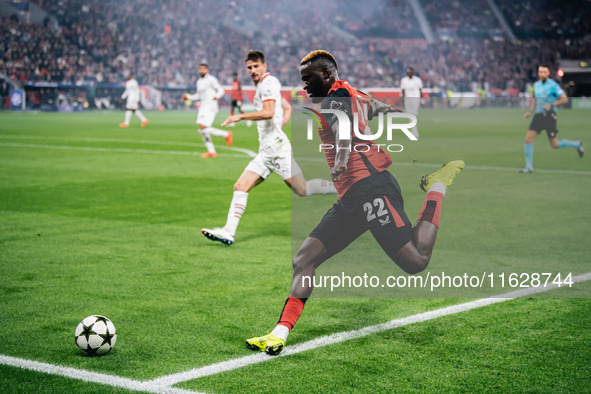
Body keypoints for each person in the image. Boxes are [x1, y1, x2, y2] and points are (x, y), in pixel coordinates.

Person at [245, 50, 464, 355]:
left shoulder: (335, 101)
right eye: (302, 80)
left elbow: (344, 131)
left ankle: (437, 184)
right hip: (351, 197)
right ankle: (278, 334)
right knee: (304, 259)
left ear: (327, 75)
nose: (304, 86)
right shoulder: (353, 93)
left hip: (371, 189)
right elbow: (373, 107)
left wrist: (342, 160)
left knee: (416, 261)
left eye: (308, 79)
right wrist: (392, 110)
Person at [200, 50, 337, 246]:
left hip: (277, 151)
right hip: (268, 150)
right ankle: (228, 232)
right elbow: (286, 108)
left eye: (256, 66)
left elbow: (269, 112)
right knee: (240, 186)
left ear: (264, 66)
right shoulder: (263, 87)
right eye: (249, 67)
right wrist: (278, 128)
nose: (253, 70)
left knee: (302, 189)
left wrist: (240, 116)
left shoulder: (269, 83)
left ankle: (342, 188)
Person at [520, 65, 584, 173]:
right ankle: (529, 167)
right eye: (540, 72)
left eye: (545, 72)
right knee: (528, 139)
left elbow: (564, 99)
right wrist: (530, 111)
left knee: (555, 144)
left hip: (550, 116)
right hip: (538, 116)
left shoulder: (553, 85)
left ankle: (577, 144)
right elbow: (536, 99)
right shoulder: (536, 85)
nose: (542, 74)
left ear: (548, 73)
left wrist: (551, 105)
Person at [182, 64, 231, 158]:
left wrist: (216, 96)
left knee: (203, 128)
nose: (201, 70)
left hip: (211, 107)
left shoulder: (211, 79)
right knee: (201, 128)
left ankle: (226, 134)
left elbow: (221, 90)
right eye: (200, 69)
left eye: (203, 69)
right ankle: (211, 151)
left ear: (207, 70)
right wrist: (189, 97)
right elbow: (198, 95)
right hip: (203, 107)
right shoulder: (199, 82)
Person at [400, 67, 423, 139]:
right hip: (407, 98)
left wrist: (422, 100)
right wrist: (403, 99)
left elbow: (420, 90)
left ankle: (414, 132)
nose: (409, 73)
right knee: (410, 115)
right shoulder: (404, 80)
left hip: (415, 98)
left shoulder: (417, 80)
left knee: (413, 114)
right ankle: (414, 132)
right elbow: (403, 90)